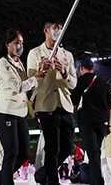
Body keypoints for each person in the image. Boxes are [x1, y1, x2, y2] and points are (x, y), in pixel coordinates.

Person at [0, 28, 45, 185]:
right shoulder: (2, 63)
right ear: (7, 44)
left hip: (20, 112)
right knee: (12, 152)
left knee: (24, 154)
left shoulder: (18, 62)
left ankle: (0, 178)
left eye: (22, 43)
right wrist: (35, 79)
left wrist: (39, 74)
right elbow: (18, 86)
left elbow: (26, 83)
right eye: (16, 43)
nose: (20, 46)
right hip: (5, 111)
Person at [27, 16, 77, 185]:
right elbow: (29, 80)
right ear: (46, 30)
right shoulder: (34, 53)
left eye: (61, 27)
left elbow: (73, 83)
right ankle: (53, 181)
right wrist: (40, 71)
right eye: (56, 27)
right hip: (46, 105)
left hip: (65, 104)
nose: (59, 30)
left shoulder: (67, 55)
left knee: (67, 147)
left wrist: (64, 73)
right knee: (52, 147)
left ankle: (42, 175)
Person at [71, 57, 111, 185]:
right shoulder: (103, 82)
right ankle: (97, 180)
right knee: (97, 152)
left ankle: (97, 181)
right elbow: (109, 106)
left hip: (86, 122)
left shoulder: (79, 82)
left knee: (93, 152)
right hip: (101, 123)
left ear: (81, 68)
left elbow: (73, 105)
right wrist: (108, 124)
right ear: (93, 68)